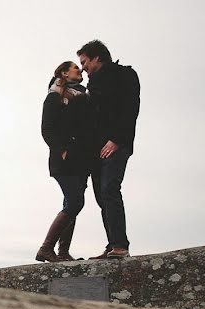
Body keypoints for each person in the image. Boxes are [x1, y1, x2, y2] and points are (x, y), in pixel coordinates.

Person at [77, 40, 140, 259]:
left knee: (109, 189)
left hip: (116, 145)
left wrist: (116, 139)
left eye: (84, 62)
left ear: (97, 57)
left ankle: (120, 246)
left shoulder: (125, 75)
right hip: (96, 150)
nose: (83, 67)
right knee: (101, 196)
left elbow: (131, 110)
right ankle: (112, 244)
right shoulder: (91, 85)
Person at [36, 61, 94, 263]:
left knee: (71, 203)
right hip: (65, 161)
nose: (80, 70)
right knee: (75, 202)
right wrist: (61, 150)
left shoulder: (83, 96)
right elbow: (47, 129)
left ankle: (62, 252)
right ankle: (46, 248)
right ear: (64, 73)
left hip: (81, 161)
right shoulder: (54, 97)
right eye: (76, 68)